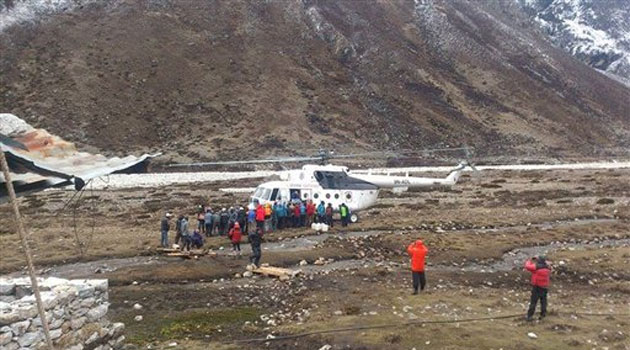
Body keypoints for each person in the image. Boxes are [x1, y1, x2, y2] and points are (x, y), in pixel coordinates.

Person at [525, 256, 551, 321]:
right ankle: (543, 314)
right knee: (543, 302)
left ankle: (529, 316)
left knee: (533, 302)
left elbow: (527, 266)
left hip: (537, 287)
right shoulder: (547, 267)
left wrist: (529, 260)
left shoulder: (536, 267)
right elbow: (549, 266)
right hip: (544, 287)